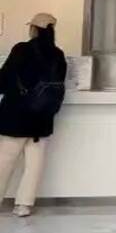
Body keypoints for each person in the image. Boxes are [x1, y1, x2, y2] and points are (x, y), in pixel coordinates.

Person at [0, 13, 67, 217]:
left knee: (5, 161)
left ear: (34, 29)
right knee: (34, 164)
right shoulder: (58, 55)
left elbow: (4, 78)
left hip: (16, 116)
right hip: (42, 118)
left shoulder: (21, 49)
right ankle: (24, 205)